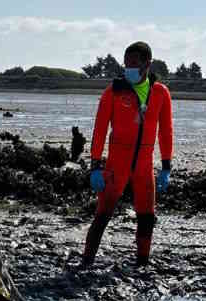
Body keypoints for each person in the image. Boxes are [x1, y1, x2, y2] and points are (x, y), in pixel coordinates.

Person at [78, 41, 174, 271]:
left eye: (133, 63)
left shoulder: (161, 93)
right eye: (126, 63)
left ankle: (142, 264)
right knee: (103, 214)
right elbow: (99, 129)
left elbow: (166, 131)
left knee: (146, 217)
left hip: (144, 164)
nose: (128, 67)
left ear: (147, 64)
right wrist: (95, 165)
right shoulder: (113, 92)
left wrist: (166, 167)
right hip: (116, 164)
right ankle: (86, 262)